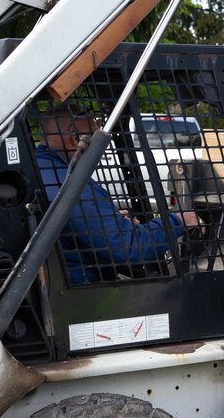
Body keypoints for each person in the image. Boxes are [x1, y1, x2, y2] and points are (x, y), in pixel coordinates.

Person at [35, 104, 201, 284]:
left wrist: (113, 222)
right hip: (82, 291)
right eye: (95, 140)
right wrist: (178, 221)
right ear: (76, 138)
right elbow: (127, 248)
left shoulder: (38, 170)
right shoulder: (72, 187)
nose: (99, 151)